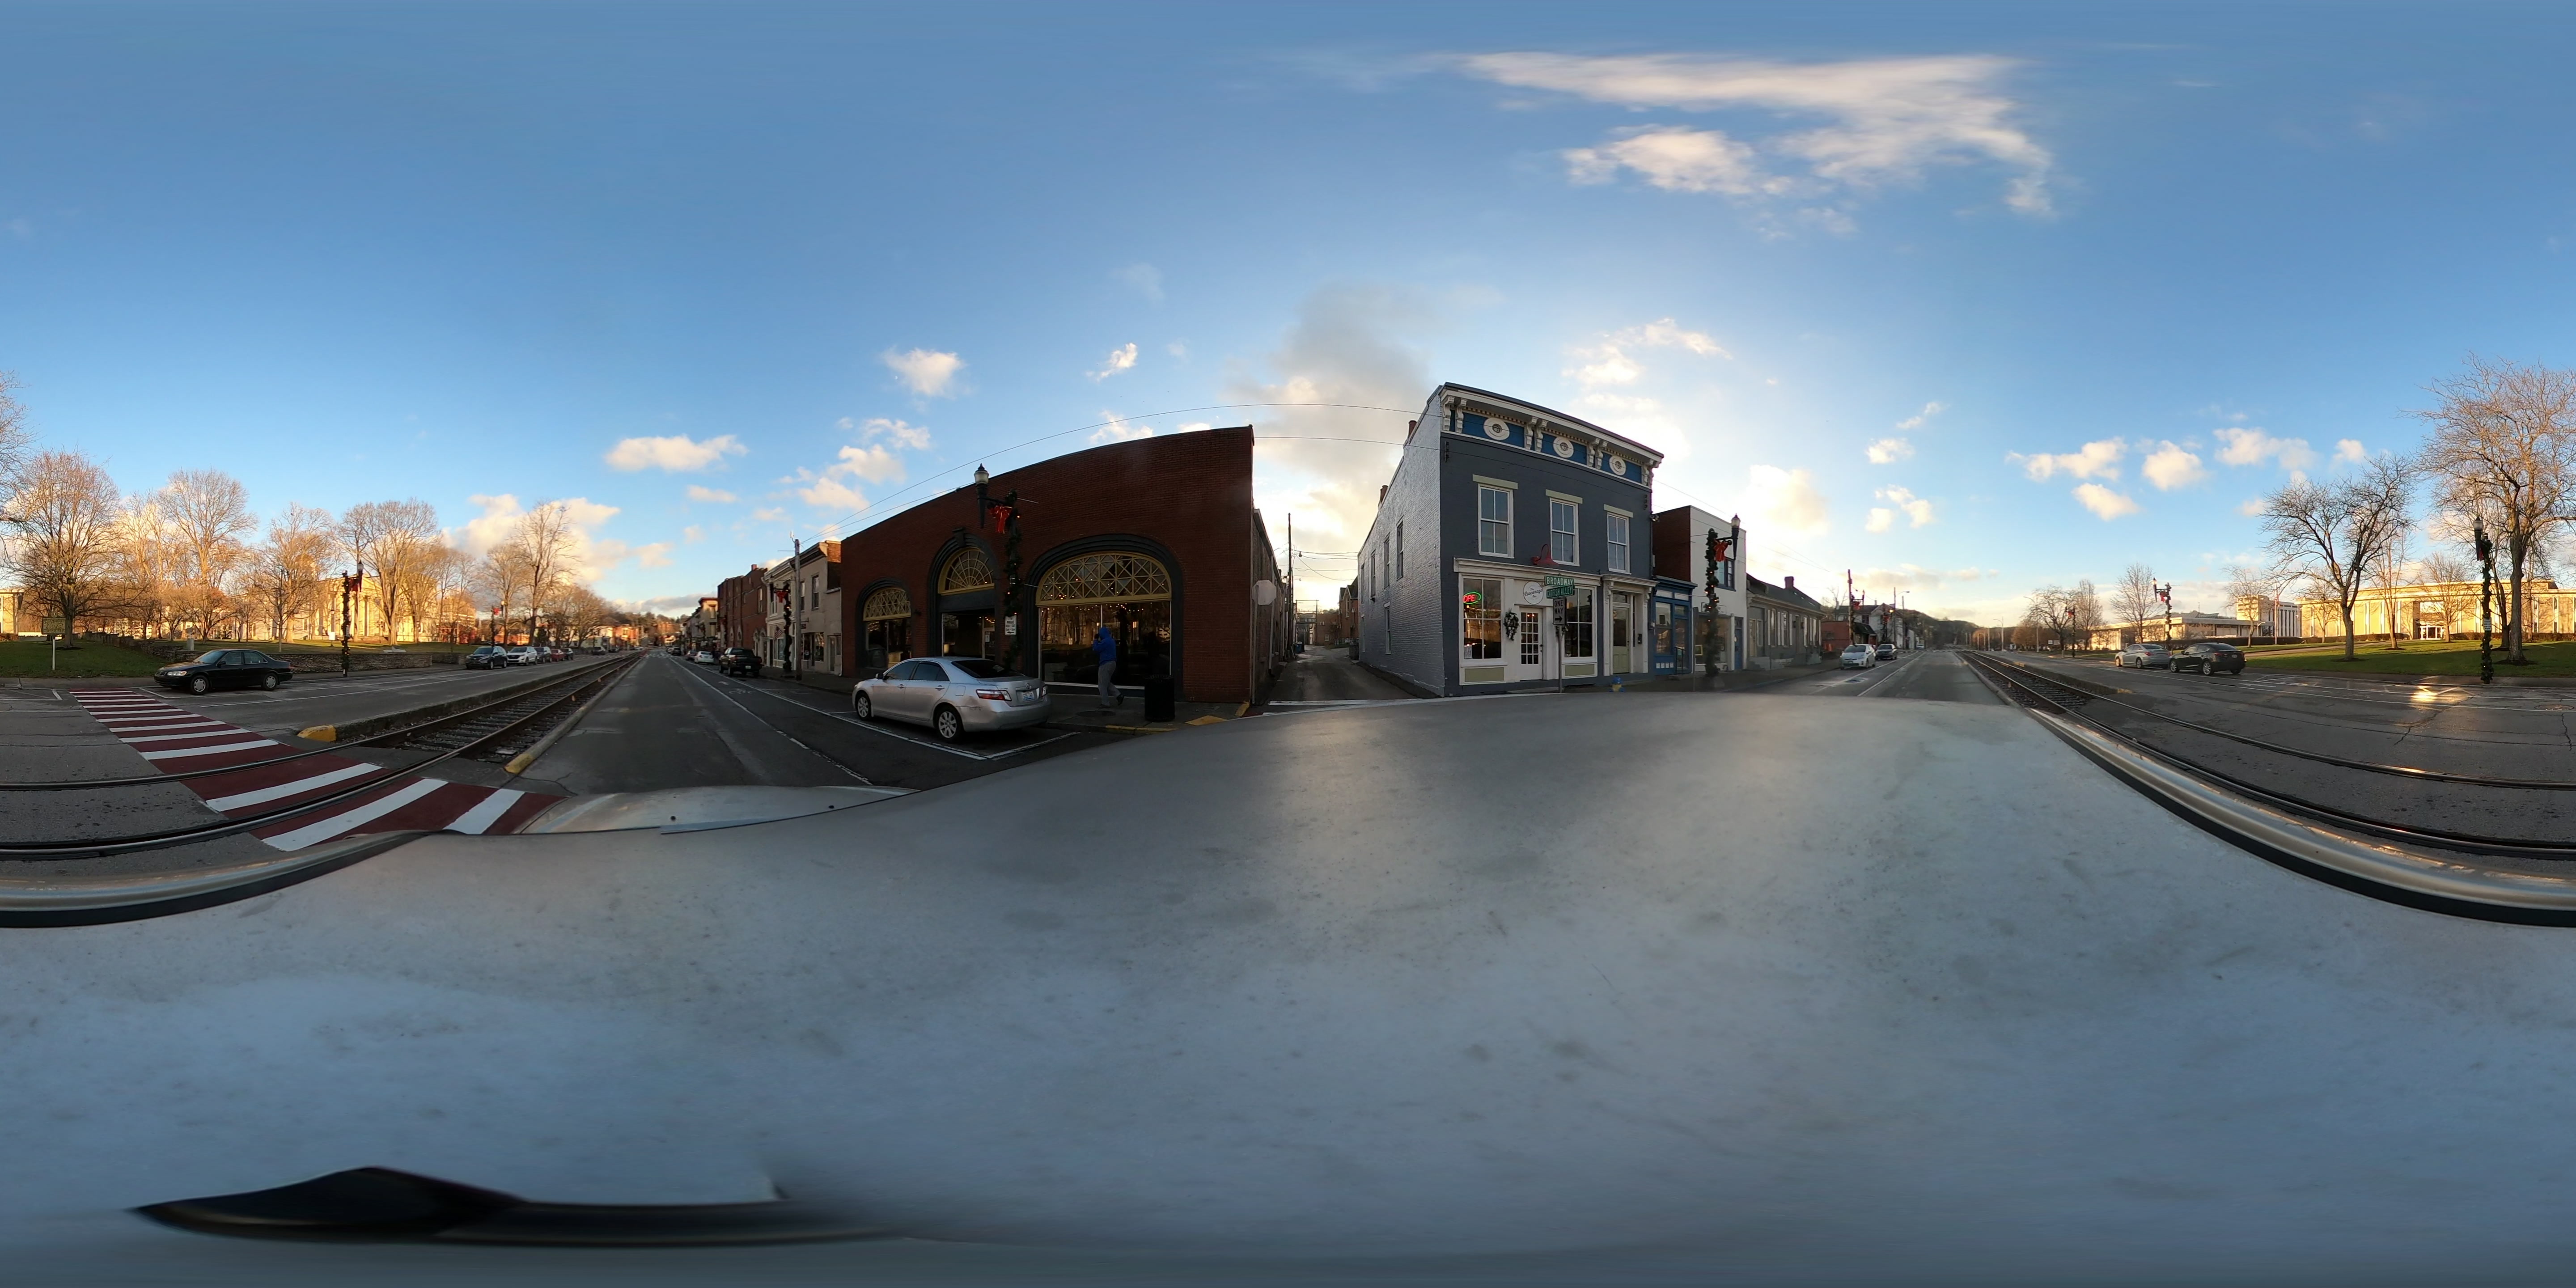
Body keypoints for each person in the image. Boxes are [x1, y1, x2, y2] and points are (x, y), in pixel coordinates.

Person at [1093, 623, 1119, 707]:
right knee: (1106, 682)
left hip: (1105, 663)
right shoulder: (1111, 641)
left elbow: (1096, 649)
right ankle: (1118, 696)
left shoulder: (1105, 642)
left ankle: (1105, 703)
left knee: (1102, 685)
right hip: (1113, 663)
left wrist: (1096, 640)